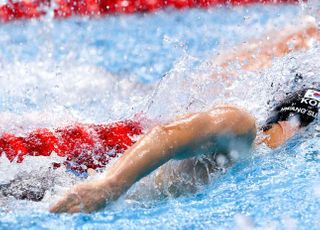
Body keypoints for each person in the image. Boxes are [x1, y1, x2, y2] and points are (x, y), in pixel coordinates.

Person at [48, 18, 320, 213]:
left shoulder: (256, 151)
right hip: (62, 188)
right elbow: (168, 134)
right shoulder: (241, 130)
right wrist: (109, 185)